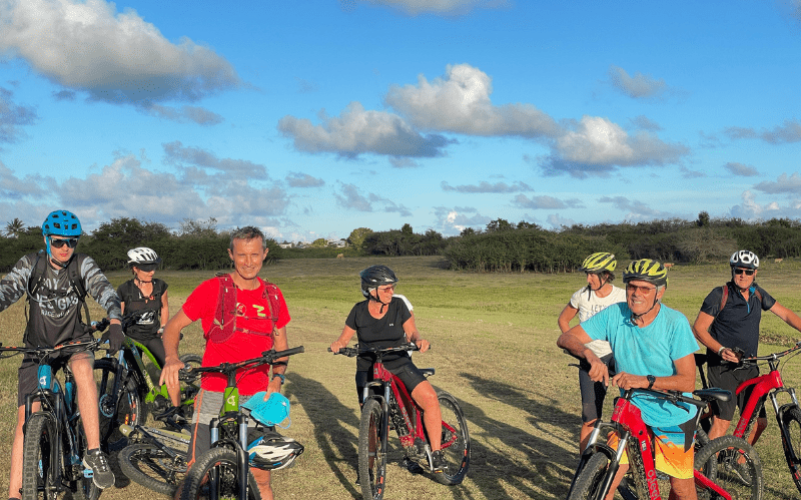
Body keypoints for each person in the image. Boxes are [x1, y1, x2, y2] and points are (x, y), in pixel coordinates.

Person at [159, 226, 291, 500]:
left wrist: (277, 378)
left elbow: (282, 349)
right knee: (196, 476)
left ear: (264, 254)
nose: (248, 262)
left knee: (261, 480)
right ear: (231, 254)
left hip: (258, 398)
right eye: (242, 255)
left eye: (254, 254)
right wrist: (171, 357)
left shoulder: (273, 296)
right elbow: (173, 326)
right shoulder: (213, 289)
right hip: (213, 391)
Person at [0, 210, 124, 497]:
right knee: (25, 420)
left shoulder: (82, 265)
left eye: (72, 242)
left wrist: (115, 321)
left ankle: (93, 452)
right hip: (37, 348)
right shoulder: (32, 264)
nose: (65, 248)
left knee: (83, 370)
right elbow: (5, 291)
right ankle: (14, 495)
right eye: (58, 241)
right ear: (46, 239)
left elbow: (105, 290)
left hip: (74, 343)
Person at [557, 259, 699, 500]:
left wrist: (644, 381)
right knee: (605, 481)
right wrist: (591, 356)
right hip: (631, 412)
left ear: (660, 292)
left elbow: (687, 382)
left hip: (672, 413)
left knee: (680, 489)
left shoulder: (675, 323)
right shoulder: (615, 314)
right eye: (632, 286)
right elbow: (567, 338)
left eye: (645, 288)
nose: (636, 293)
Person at [329, 265, 447, 473]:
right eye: (386, 289)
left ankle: (436, 453)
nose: (391, 292)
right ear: (371, 290)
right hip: (368, 366)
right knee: (370, 420)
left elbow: (411, 332)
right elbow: (344, 338)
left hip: (398, 361)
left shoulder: (398, 305)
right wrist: (338, 345)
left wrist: (419, 340)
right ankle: (367, 470)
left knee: (429, 398)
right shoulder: (358, 310)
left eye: (392, 287)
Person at [692, 250, 801, 443]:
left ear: (755, 272)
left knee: (759, 423)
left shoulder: (758, 294)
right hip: (722, 368)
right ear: (732, 270)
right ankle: (705, 461)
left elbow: (785, 314)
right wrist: (721, 350)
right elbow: (699, 329)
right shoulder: (719, 294)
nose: (743, 275)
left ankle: (739, 458)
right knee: (722, 422)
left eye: (748, 271)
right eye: (739, 270)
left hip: (749, 367)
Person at [557, 252, 626, 452]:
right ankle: (585, 464)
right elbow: (563, 320)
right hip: (591, 359)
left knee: (631, 411)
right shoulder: (581, 296)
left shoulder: (622, 296)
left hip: (617, 356)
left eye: (592, 274)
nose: (588, 279)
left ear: (606, 275)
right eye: (587, 274)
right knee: (590, 417)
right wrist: (578, 348)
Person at [118, 247, 169, 367]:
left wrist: (163, 326)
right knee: (132, 374)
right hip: (132, 336)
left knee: (168, 365)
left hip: (152, 335)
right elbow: (118, 314)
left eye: (153, 267)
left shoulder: (160, 286)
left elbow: (164, 307)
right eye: (147, 269)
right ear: (135, 268)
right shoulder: (125, 289)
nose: (152, 272)